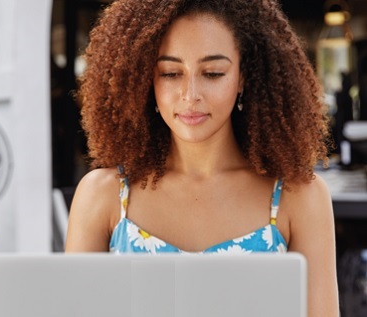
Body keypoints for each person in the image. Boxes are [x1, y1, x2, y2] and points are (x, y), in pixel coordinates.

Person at [65, 0, 339, 315]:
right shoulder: (103, 197)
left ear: (243, 78)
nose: (190, 94)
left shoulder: (299, 198)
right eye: (170, 73)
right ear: (145, 77)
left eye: (212, 72)